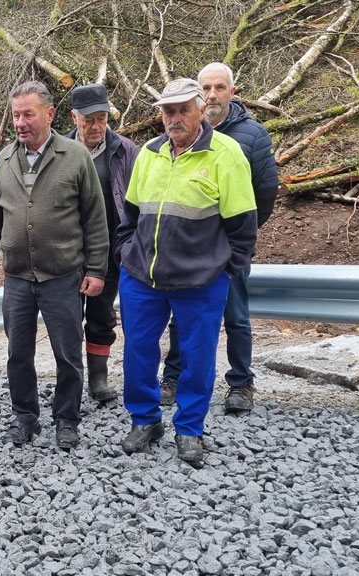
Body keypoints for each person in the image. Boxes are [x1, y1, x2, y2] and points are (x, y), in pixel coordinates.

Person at [115, 78, 257, 466]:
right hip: (143, 277)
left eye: (182, 110)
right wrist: (125, 253)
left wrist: (224, 271)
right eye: (168, 111)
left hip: (201, 280)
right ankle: (145, 420)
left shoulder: (225, 154)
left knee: (197, 358)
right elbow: (129, 215)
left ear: (200, 110)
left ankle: (190, 428)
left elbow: (243, 226)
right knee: (138, 353)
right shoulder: (149, 153)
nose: (174, 118)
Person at [0, 80, 109, 451]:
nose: (20, 122)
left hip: (63, 277)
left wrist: (96, 269)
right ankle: (25, 418)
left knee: (68, 353)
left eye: (28, 114)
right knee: (19, 354)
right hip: (18, 277)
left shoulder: (76, 156)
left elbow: (95, 219)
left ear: (49, 115)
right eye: (16, 115)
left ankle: (66, 419)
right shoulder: (3, 160)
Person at [158, 63, 280, 413]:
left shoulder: (252, 135)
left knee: (237, 316)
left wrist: (240, 238)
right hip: (187, 248)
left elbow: (266, 192)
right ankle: (173, 376)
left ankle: (241, 383)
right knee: (180, 316)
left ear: (232, 91)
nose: (213, 95)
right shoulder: (181, 133)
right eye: (206, 88)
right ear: (197, 96)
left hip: (229, 248)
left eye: (220, 88)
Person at [65, 83, 140, 403]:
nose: (96, 126)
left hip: (109, 252)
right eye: (89, 119)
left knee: (101, 316)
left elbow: (138, 202)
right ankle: (69, 377)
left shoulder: (125, 151)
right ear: (73, 117)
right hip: (67, 253)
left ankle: (98, 377)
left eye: (102, 118)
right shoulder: (59, 150)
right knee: (66, 319)